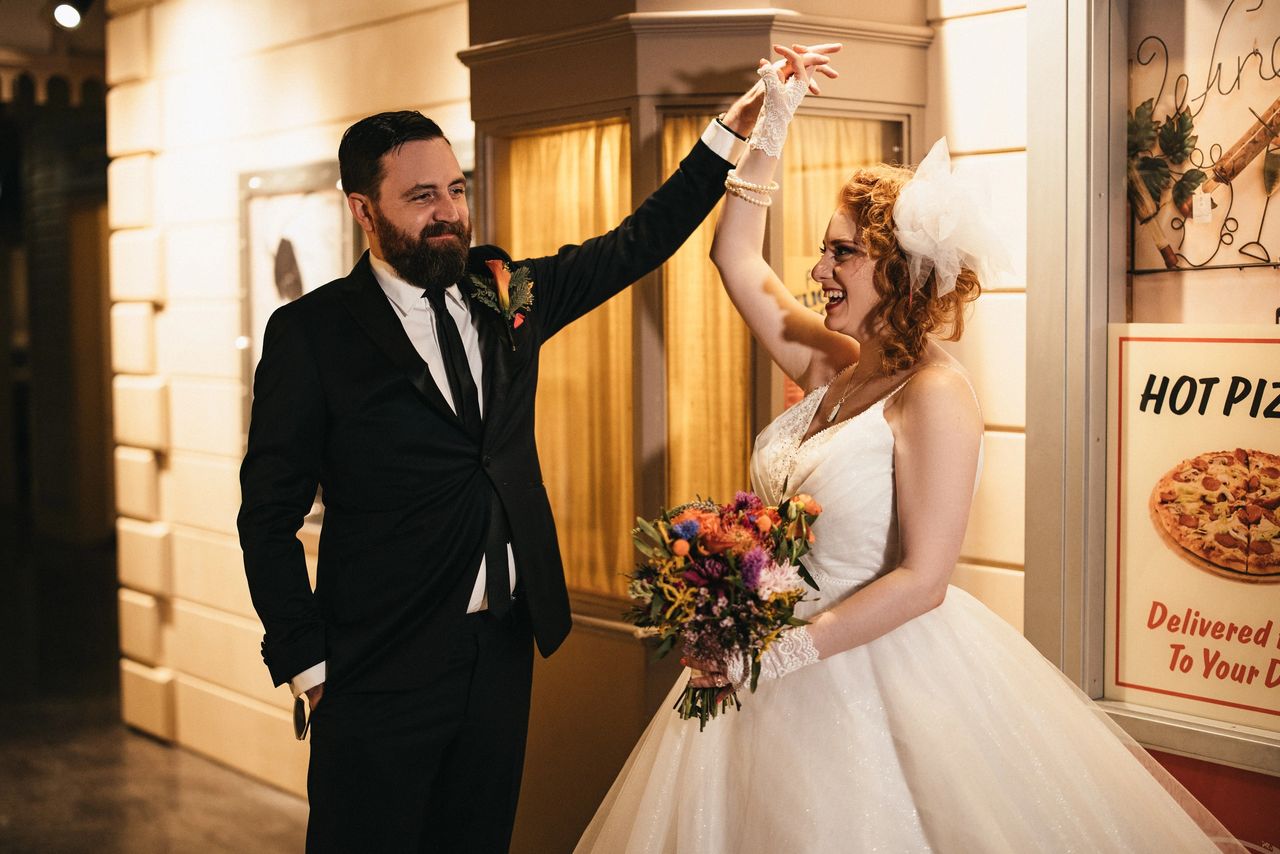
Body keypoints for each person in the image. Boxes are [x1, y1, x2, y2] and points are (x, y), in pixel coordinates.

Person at [575, 47, 1245, 853]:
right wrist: (775, 118)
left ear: (904, 269)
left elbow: (926, 579)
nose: (819, 269)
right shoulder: (831, 363)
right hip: (764, 667)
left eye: (842, 252)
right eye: (827, 250)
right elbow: (733, 257)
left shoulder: (935, 397)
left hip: (865, 676)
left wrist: (777, 658)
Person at [237, 46, 841, 854]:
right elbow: (265, 518)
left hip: (501, 651)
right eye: (421, 197)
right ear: (362, 210)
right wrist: (310, 667)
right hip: (375, 663)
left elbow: (641, 240)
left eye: (455, 189)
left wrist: (742, 119)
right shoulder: (310, 336)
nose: (448, 211)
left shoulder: (505, 293)